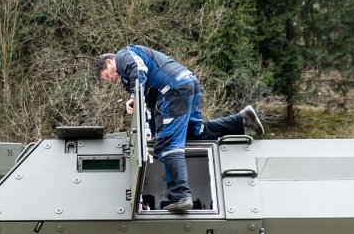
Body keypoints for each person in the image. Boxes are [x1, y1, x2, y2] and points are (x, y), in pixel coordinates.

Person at [94, 46, 263, 213]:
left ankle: (180, 196)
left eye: (108, 75)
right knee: (196, 133)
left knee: (168, 145)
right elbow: (150, 105)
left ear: (109, 62)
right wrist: (151, 131)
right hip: (188, 85)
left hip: (172, 90)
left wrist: (132, 96)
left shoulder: (124, 55)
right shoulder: (133, 79)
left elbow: (138, 68)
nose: (111, 79)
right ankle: (241, 120)